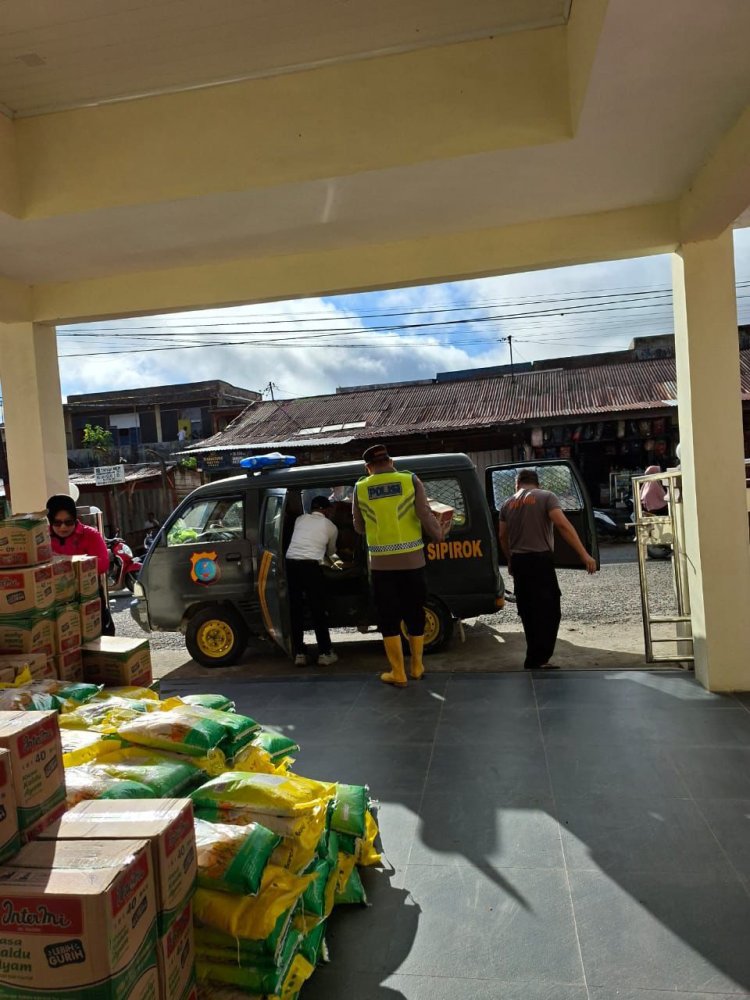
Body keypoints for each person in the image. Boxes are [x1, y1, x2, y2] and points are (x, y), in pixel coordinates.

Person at [353, 444, 445, 688]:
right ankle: (417, 666)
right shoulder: (409, 480)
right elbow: (424, 513)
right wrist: (438, 534)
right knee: (415, 612)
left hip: (381, 566)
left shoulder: (360, 487)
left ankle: (398, 672)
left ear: (368, 467)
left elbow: (358, 527)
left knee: (388, 617)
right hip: (413, 561)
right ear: (391, 462)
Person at [498, 469, 597, 670]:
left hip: (519, 562)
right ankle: (540, 659)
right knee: (550, 610)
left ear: (517, 485)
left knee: (528, 611)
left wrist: (510, 560)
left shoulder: (507, 504)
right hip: (539, 561)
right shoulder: (546, 497)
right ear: (537, 484)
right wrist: (584, 554)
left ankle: (532, 657)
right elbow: (562, 525)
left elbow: (502, 536)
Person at [46, 494, 115, 636]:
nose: (63, 527)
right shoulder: (43, 538)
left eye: (68, 522)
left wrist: (71, 563)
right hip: (57, 600)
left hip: (89, 596)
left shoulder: (90, 534)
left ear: (75, 519)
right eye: (57, 523)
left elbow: (103, 565)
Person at [285, 495, 342, 667]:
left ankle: (300, 654)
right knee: (318, 609)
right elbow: (331, 552)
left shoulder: (300, 519)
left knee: (296, 610)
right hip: (311, 568)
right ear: (326, 510)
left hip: (291, 565)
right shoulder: (331, 526)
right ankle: (325, 653)